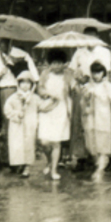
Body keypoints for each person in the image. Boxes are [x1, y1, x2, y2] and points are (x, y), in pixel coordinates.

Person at [68, 28, 111, 169]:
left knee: (98, 125)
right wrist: (75, 84)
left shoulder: (104, 52)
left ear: (97, 37)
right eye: (86, 37)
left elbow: (107, 74)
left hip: (98, 92)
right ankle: (81, 157)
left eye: (92, 37)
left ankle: (100, 157)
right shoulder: (79, 52)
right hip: (82, 91)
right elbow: (70, 71)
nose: (89, 40)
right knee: (81, 124)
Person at [36, 49, 72, 180]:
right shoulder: (45, 74)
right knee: (44, 142)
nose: (56, 65)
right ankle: (49, 161)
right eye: (54, 63)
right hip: (47, 110)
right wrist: (48, 94)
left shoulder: (68, 75)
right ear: (49, 63)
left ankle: (54, 170)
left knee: (56, 142)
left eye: (59, 63)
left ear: (63, 63)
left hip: (61, 110)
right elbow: (39, 89)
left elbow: (74, 88)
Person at [0, 39, 38, 126]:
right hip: (5, 90)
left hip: (22, 89)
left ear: (9, 42)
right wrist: (1, 73)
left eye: (1, 42)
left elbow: (34, 75)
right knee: (8, 116)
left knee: (23, 115)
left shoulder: (22, 54)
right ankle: (9, 138)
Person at [82, 61, 111, 180]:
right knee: (91, 144)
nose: (96, 75)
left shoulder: (108, 85)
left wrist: (97, 93)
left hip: (103, 117)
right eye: (94, 72)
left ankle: (100, 170)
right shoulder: (88, 86)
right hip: (90, 118)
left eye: (99, 72)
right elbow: (83, 102)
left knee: (103, 144)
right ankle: (98, 164)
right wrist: (87, 96)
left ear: (103, 73)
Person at [3, 71, 39, 178]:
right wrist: (16, 114)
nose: (25, 85)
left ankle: (27, 167)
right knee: (17, 145)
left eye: (28, 83)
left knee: (29, 144)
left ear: (32, 85)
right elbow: (7, 110)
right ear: (18, 84)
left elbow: (40, 108)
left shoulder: (35, 98)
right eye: (23, 83)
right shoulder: (13, 97)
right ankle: (19, 164)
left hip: (29, 125)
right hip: (17, 126)